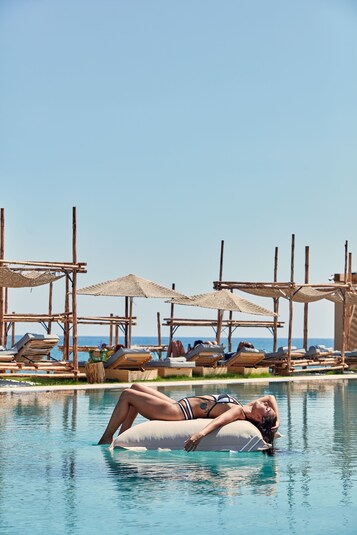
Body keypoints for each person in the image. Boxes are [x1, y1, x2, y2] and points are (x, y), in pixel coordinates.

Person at [98, 384, 280, 451]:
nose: (266, 404)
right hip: (179, 404)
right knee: (136, 386)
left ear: (259, 418)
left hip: (176, 412)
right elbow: (271, 397)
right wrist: (276, 421)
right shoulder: (247, 407)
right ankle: (124, 433)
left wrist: (199, 435)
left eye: (267, 410)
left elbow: (218, 422)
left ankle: (107, 437)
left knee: (127, 395)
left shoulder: (239, 412)